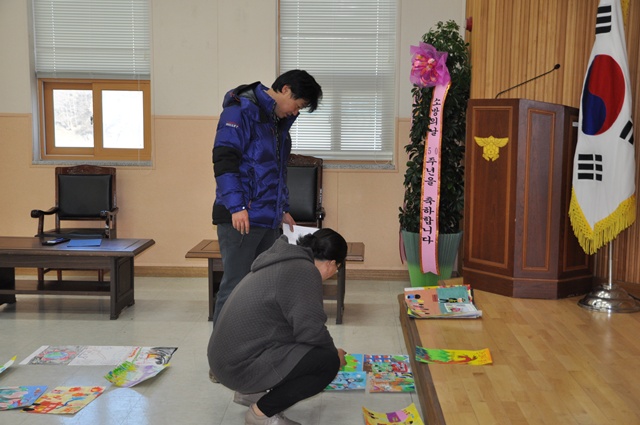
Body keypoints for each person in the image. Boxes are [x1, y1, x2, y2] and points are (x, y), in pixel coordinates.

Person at [211, 69, 323, 325]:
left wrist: (282, 207)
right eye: (298, 105)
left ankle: (253, 344)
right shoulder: (240, 111)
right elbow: (224, 161)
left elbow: (276, 171)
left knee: (263, 288)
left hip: (267, 218)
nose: (295, 112)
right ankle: (222, 349)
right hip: (241, 217)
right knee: (235, 287)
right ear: (285, 89)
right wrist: (236, 206)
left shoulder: (275, 123)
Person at [207, 229, 348, 425]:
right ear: (332, 263)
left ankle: (251, 393)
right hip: (237, 367)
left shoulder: (285, 260)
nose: (334, 272)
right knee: (327, 363)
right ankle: (261, 414)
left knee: (303, 344)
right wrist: (334, 353)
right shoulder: (304, 271)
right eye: (337, 268)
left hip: (224, 359)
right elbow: (312, 331)